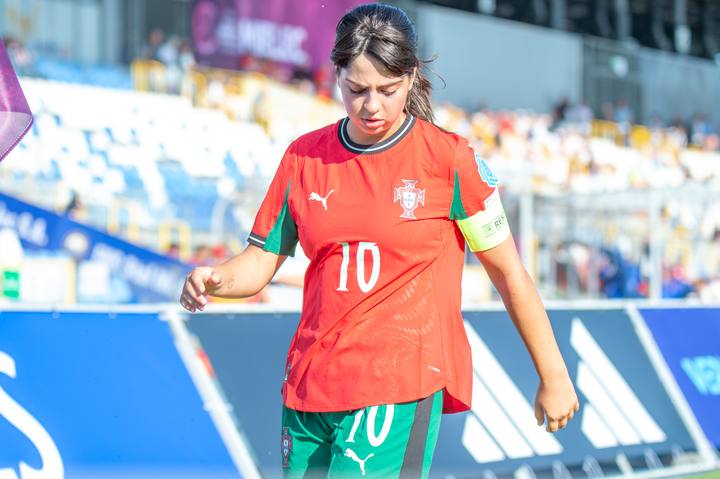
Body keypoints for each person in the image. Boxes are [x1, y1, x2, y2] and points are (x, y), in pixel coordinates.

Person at [180, 4, 579, 478]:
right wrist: (217, 279)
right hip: (310, 385)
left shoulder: (450, 161)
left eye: (387, 90)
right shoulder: (303, 158)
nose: (372, 106)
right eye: (357, 90)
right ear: (337, 77)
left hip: (399, 384)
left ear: (410, 78)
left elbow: (509, 273)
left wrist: (554, 375)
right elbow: (261, 259)